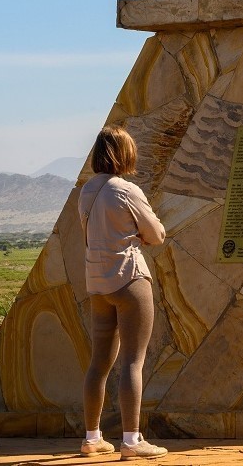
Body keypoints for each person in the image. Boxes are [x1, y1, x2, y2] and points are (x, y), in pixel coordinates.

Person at [78, 125, 169, 460]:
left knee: (99, 362)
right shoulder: (126, 190)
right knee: (133, 361)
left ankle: (92, 437)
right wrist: (140, 235)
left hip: (97, 282)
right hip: (129, 279)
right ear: (124, 153)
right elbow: (157, 234)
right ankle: (131, 440)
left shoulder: (86, 191)